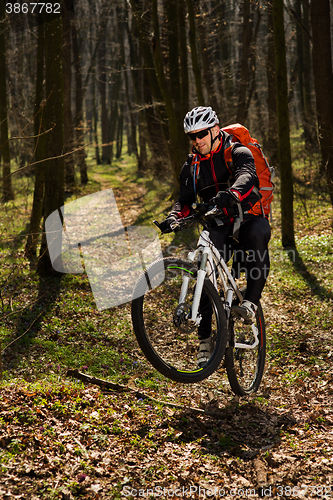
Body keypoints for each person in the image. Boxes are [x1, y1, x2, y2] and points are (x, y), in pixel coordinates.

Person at [159, 106, 271, 366]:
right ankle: (205, 339)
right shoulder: (192, 165)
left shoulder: (237, 152)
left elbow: (247, 176)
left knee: (258, 235)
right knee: (204, 268)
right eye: (192, 136)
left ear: (215, 130)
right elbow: (185, 198)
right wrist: (174, 217)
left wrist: (231, 195)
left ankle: (251, 303)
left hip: (247, 215)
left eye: (201, 134)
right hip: (217, 222)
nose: (197, 140)